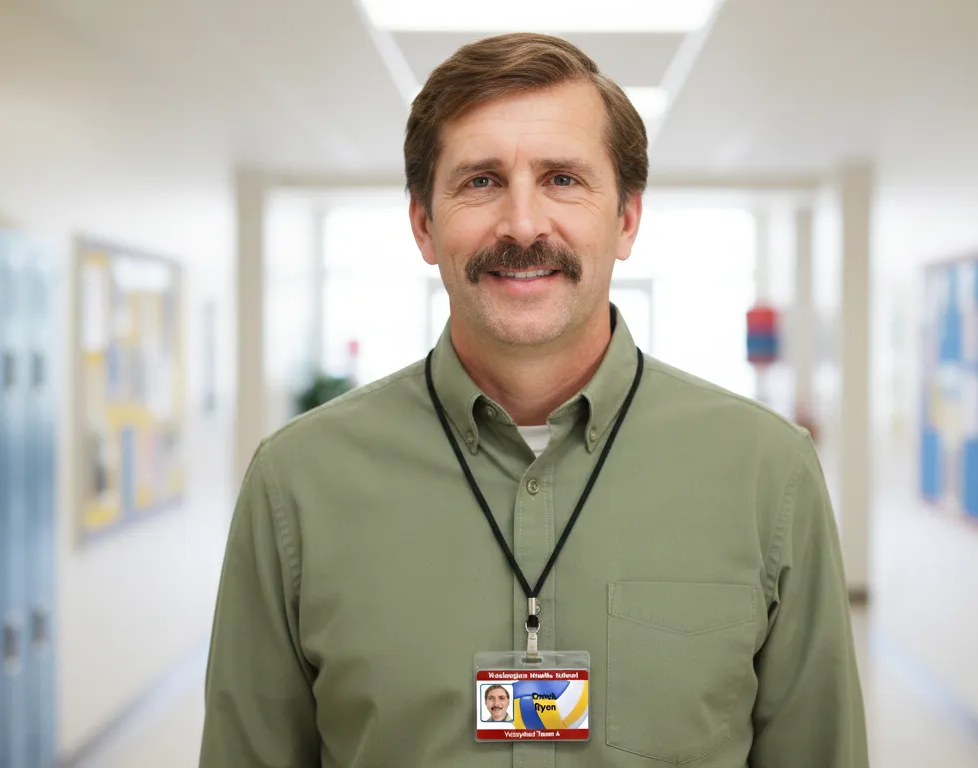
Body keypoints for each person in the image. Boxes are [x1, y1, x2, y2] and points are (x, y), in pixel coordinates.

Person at [199, 32, 867, 767]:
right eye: (481, 181)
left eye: (563, 179)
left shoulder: (768, 473)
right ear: (423, 224)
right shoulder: (296, 483)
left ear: (627, 220)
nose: (522, 224)